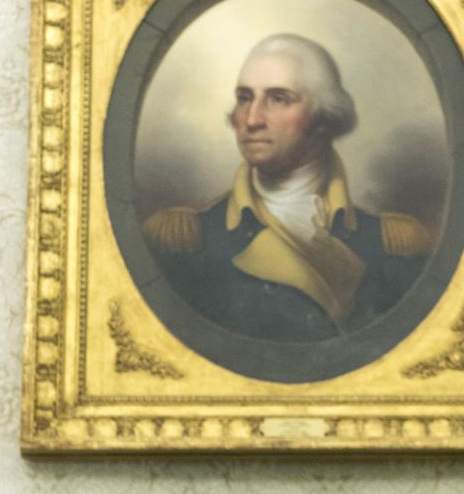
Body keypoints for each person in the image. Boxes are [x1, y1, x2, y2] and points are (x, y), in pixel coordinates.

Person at [143, 33, 433, 343]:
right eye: (244, 98)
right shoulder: (184, 242)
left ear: (324, 116)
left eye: (278, 98)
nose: (251, 119)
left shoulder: (394, 246)